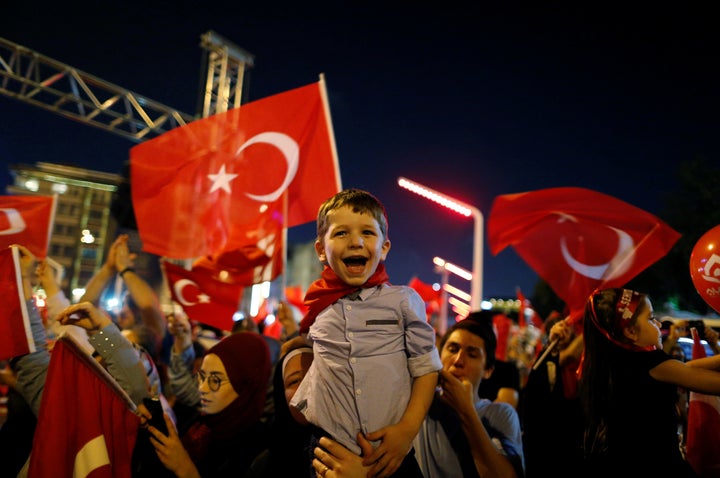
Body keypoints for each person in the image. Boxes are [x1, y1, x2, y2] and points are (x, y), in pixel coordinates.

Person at [289, 188, 441, 477]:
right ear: (321, 250)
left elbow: (426, 369)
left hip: (390, 452)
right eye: (341, 233)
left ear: (384, 247)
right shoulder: (319, 307)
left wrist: (406, 432)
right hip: (328, 450)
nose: (356, 241)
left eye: (368, 233)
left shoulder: (403, 301)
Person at [312, 314, 525, 478]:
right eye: (452, 349)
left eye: (472, 354)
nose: (459, 360)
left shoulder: (499, 414)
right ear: (438, 357)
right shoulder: (416, 404)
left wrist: (466, 411)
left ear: (488, 370)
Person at [579, 287, 720, 477]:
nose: (658, 322)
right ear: (631, 331)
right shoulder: (652, 363)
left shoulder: (616, 364)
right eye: (650, 318)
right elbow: (698, 377)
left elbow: (686, 369)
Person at [148, 330, 272, 477]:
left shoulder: (260, 451)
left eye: (215, 380)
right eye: (202, 376)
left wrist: (185, 469)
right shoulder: (200, 423)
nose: (202, 388)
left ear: (245, 385)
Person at [520, 315, 584, 478]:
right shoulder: (545, 364)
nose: (565, 334)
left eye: (572, 330)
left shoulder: (588, 365)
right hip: (546, 454)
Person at [245, 343, 315, 477]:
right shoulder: (265, 466)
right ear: (281, 396)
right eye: (294, 381)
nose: (307, 386)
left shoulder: (357, 449)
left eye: (315, 374)